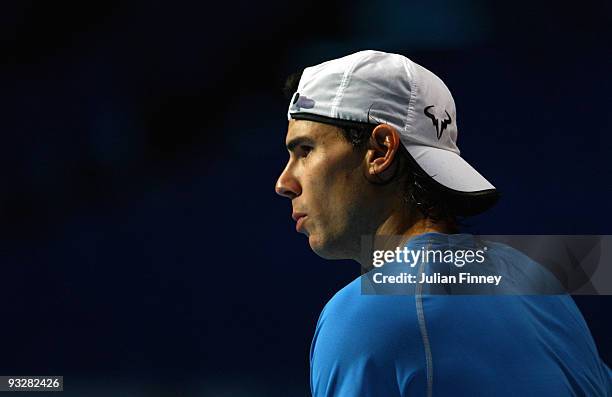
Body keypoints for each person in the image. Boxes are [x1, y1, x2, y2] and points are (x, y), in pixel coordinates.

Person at [275, 50, 611, 396]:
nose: (284, 183)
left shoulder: (364, 318)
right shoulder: (537, 281)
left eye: (305, 150)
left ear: (380, 151)